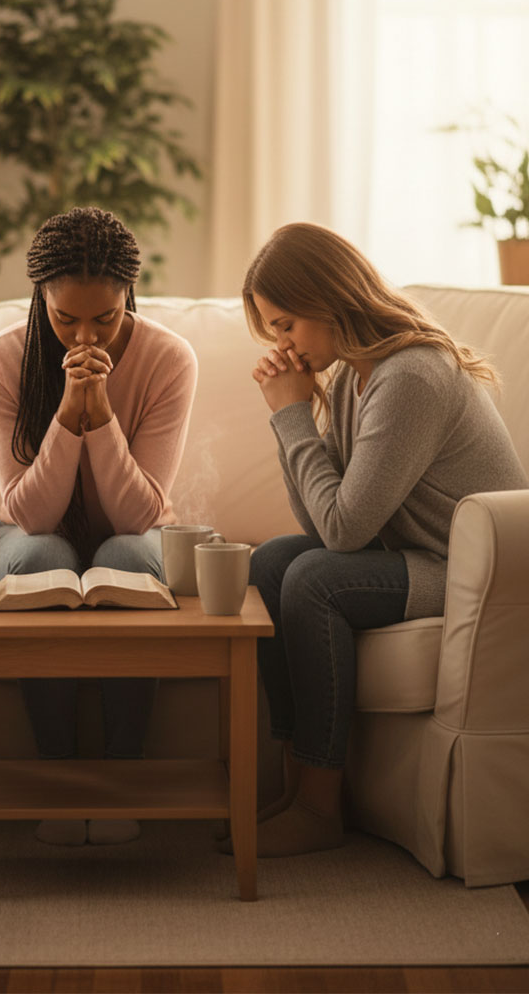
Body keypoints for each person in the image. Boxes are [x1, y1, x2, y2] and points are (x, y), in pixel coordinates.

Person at [231, 221, 527, 859]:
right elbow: (320, 525)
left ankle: (318, 804)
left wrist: (287, 415)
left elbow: (342, 532)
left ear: (327, 298)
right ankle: (292, 785)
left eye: (284, 325)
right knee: (274, 562)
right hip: (416, 556)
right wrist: (298, 415)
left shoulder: (410, 375)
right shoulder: (350, 380)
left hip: (474, 572)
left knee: (313, 579)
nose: (281, 343)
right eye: (272, 330)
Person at [0, 206, 198, 845]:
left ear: (129, 294)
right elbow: (29, 513)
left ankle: (122, 778)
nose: (85, 340)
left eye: (104, 319)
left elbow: (139, 514)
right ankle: (58, 777)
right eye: (64, 319)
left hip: (136, 539)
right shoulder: (1, 358)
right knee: (45, 554)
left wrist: (99, 417)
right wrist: (66, 412)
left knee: (126, 554)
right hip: (25, 540)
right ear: (39, 298)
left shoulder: (167, 358)